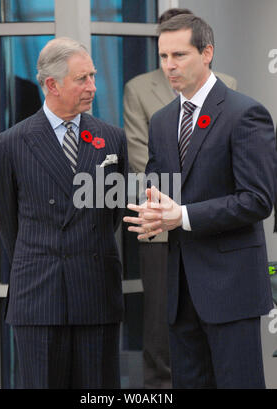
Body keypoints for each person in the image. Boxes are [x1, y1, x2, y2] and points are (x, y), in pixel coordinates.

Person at [124, 14, 277, 389]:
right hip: (179, 292)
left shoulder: (245, 113)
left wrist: (183, 216)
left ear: (207, 53)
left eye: (179, 54)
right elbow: (161, 188)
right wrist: (153, 214)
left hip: (230, 290)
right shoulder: (161, 121)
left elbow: (257, 199)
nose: (169, 66)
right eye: (162, 56)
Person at [0, 37, 128, 389]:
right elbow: (8, 221)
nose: (93, 86)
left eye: (93, 76)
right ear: (52, 84)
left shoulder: (112, 139)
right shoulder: (11, 144)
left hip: (96, 293)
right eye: (82, 79)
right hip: (38, 298)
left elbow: (112, 214)